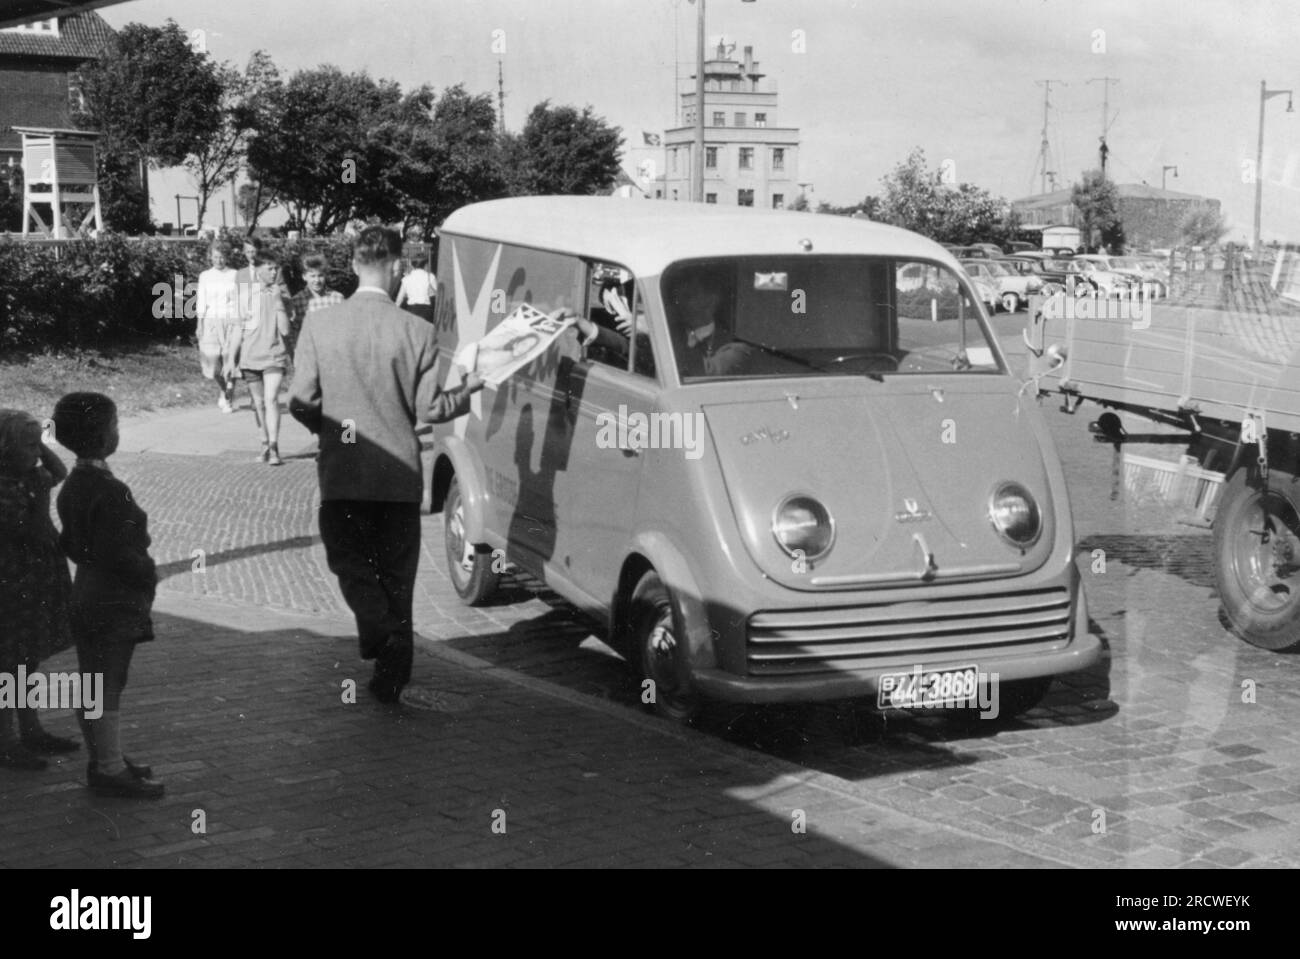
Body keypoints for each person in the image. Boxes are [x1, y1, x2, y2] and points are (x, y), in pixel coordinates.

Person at [289, 227, 485, 703]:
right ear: (397, 267)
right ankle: (391, 679)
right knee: (399, 579)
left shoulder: (321, 325)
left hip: (343, 475)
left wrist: (328, 430)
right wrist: (470, 390)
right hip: (398, 478)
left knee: (350, 559)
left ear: (354, 266)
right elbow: (430, 410)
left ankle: (375, 627)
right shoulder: (418, 331)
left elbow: (300, 399)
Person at [53, 393, 163, 798]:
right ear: (103, 437)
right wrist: (147, 572)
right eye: (115, 426)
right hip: (114, 599)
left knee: (95, 683)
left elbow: (72, 542)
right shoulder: (111, 490)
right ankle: (109, 766)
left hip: (87, 592)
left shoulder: (73, 485)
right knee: (108, 684)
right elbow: (119, 551)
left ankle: (104, 757)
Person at [0, 409, 78, 770]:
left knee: (25, 659)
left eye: (37, 445)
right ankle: (6, 739)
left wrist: (39, 450)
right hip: (12, 583)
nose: (36, 452)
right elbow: (30, 530)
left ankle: (30, 729)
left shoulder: (27, 474)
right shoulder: (5, 485)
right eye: (28, 445)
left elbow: (59, 471)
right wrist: (43, 494)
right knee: (8, 661)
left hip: (30, 581)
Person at [231, 251, 292, 465]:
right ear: (257, 270)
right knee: (258, 404)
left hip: (274, 355)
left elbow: (285, 330)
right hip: (250, 356)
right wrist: (231, 359)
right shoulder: (245, 296)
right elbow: (238, 330)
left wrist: (277, 301)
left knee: (271, 399)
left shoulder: (282, 295)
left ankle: (274, 447)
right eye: (269, 267)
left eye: (276, 268)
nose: (274, 272)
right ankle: (264, 442)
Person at [195, 240, 241, 413]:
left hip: (231, 321)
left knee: (231, 360)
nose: (219, 260)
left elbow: (241, 300)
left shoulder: (236, 274)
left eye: (222, 257)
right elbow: (201, 301)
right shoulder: (205, 276)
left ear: (227, 257)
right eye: (215, 257)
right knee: (213, 362)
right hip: (211, 321)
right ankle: (223, 388)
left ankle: (229, 397)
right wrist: (199, 324)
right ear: (210, 257)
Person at [288, 253, 344, 359]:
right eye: (312, 276)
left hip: (333, 354)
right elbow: (293, 332)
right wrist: (296, 353)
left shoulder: (337, 298)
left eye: (320, 276)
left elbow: (343, 329)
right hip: (308, 355)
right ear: (304, 277)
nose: (317, 281)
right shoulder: (297, 301)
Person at [395, 254, 436, 323]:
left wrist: (395, 311)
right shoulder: (430, 276)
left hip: (411, 310)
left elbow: (399, 299)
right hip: (426, 311)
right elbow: (437, 294)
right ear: (425, 264)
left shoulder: (406, 278)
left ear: (412, 264)